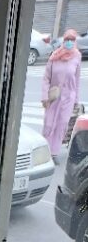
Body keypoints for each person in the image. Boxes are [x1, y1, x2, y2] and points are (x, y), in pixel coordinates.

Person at [42, 28, 82, 165]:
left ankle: (54, 152)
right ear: (63, 41)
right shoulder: (54, 56)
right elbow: (46, 78)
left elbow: (77, 80)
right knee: (49, 124)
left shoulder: (77, 56)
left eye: (72, 40)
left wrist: (76, 100)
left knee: (62, 124)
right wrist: (45, 97)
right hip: (53, 96)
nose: (69, 42)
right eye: (67, 40)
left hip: (68, 97)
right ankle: (45, 151)